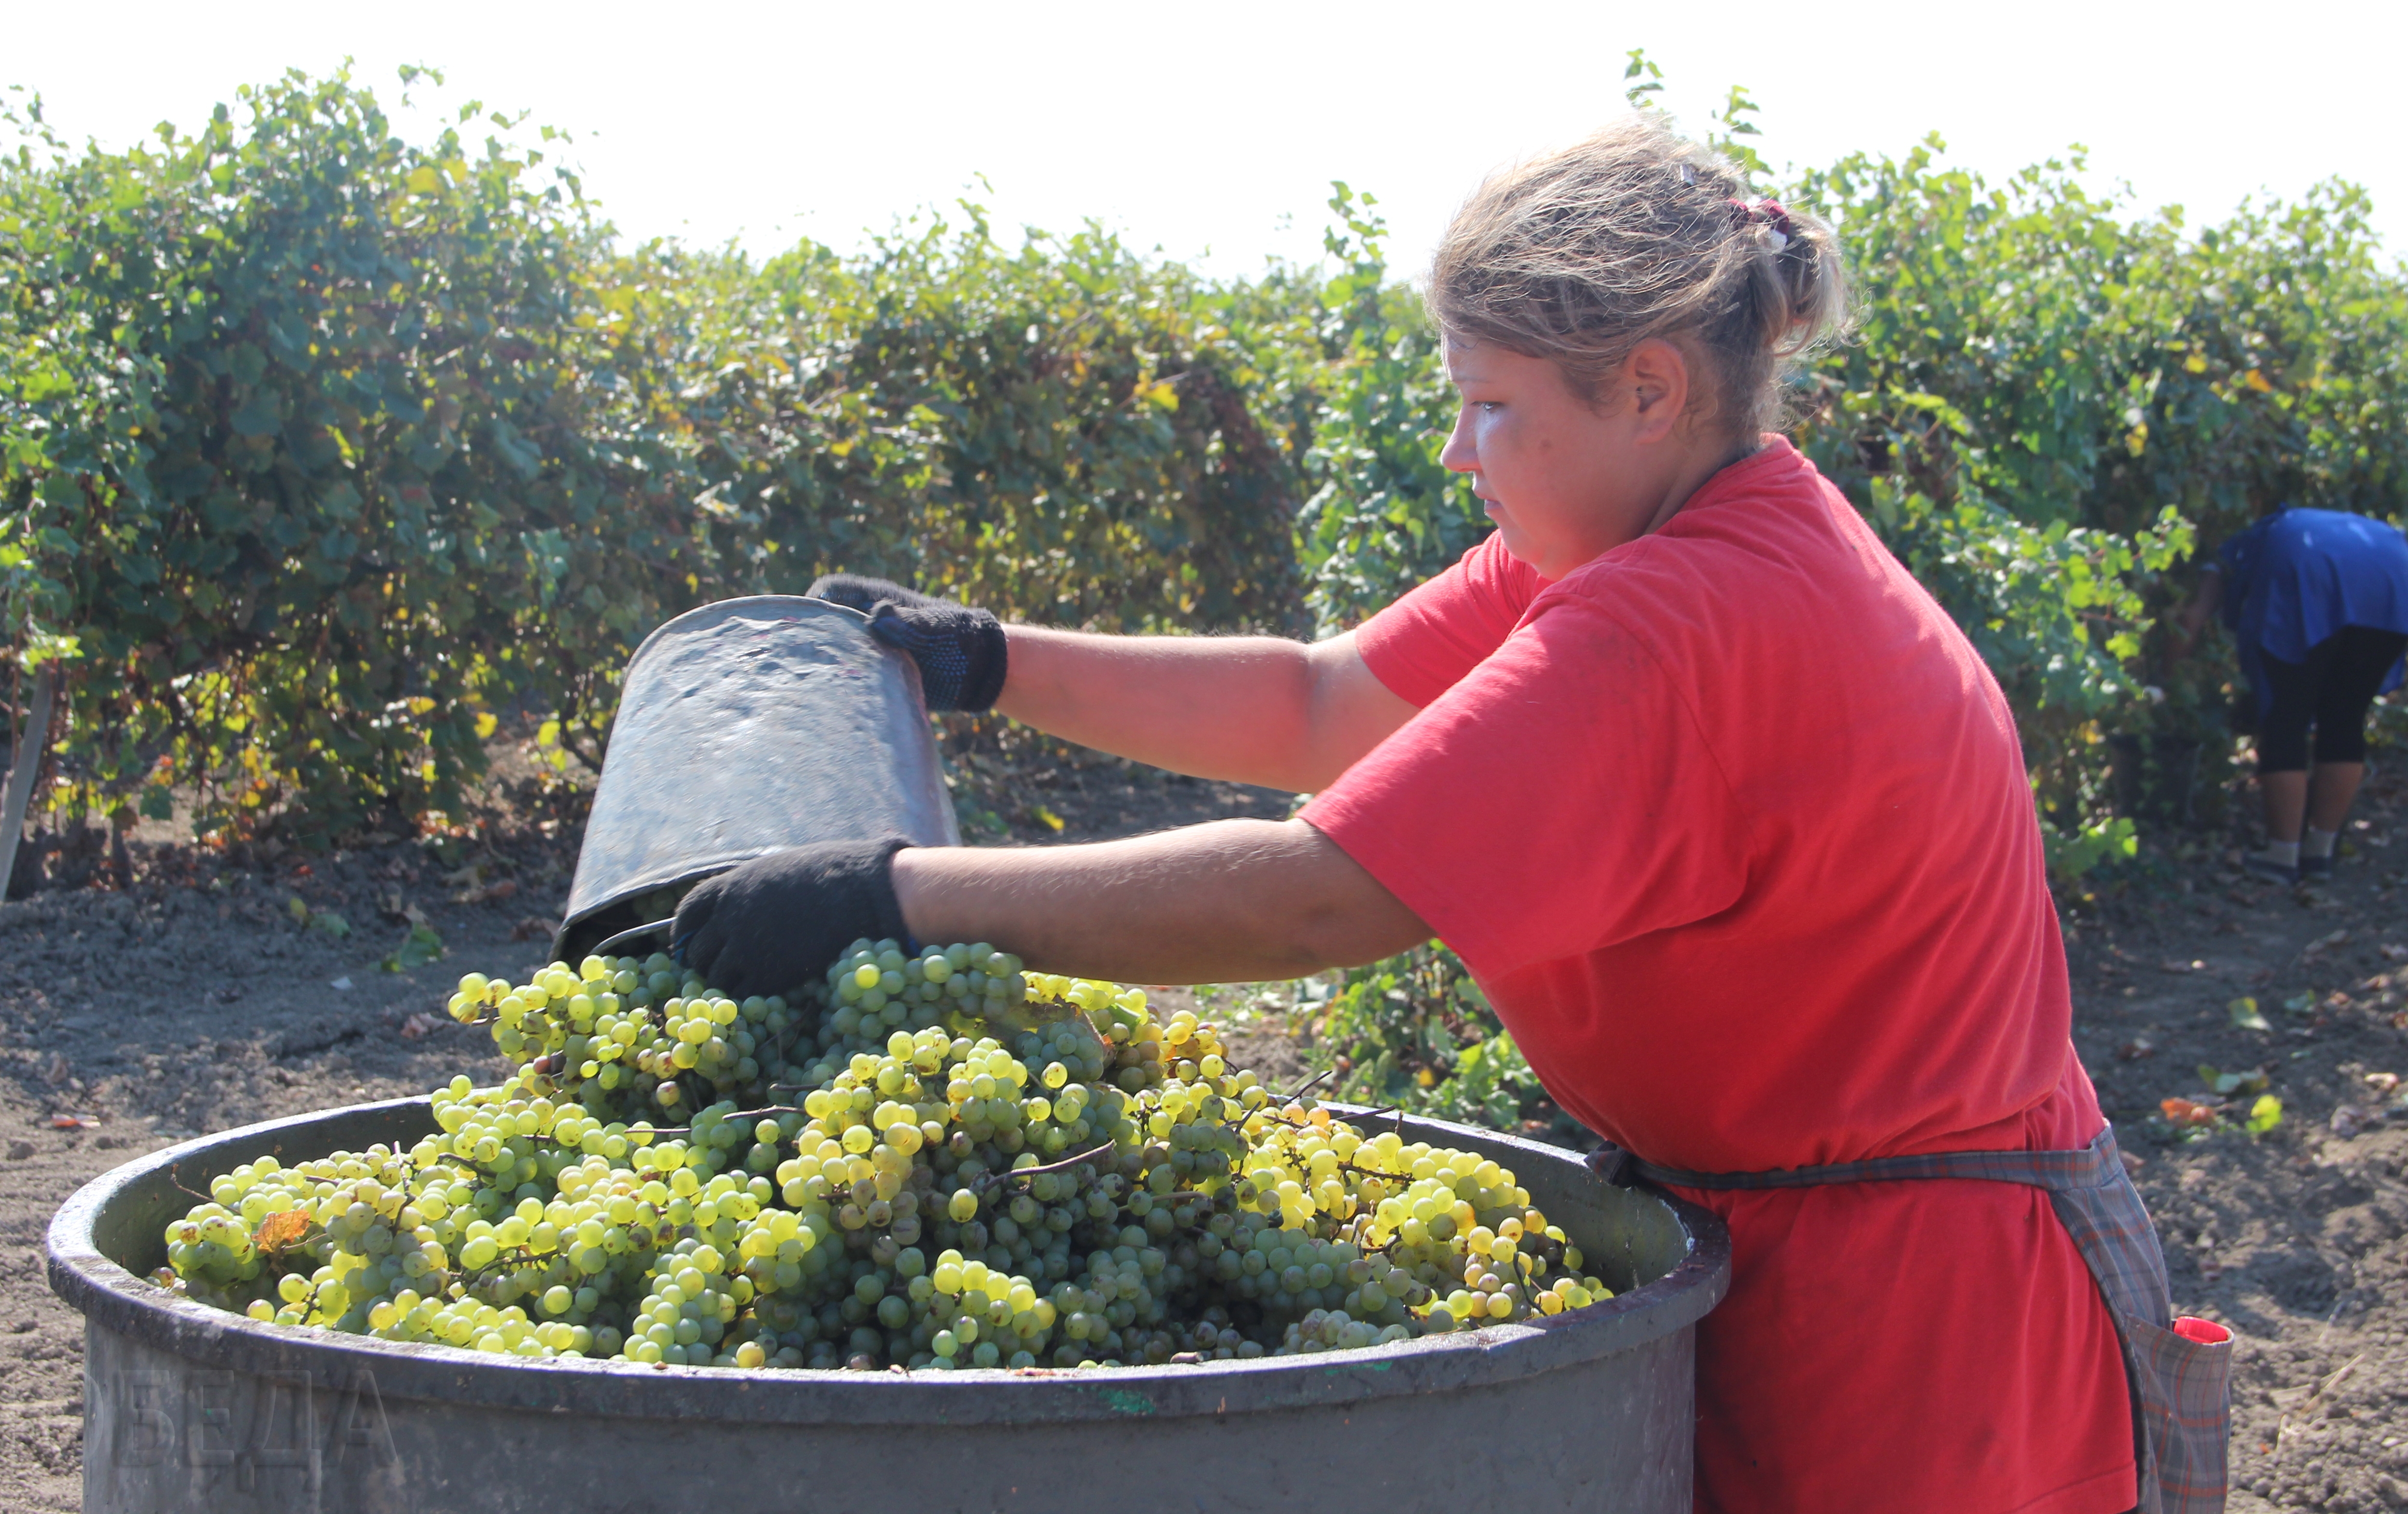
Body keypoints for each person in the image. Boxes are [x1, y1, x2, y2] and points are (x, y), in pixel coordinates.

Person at [672, 121, 2227, 1514]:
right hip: (1827, 1251)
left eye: (1486, 407)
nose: (1453, 450)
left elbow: (1317, 897)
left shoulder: (1688, 617)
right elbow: (1321, 702)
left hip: (1918, 1335)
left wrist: (896, 893)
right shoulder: (1650, 526)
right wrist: (993, 662)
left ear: (1647, 387)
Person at [2173, 507, 2408, 883]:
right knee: (2346, 718)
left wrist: (2168, 670)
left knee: (2285, 717)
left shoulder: (2231, 555)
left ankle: (2282, 855)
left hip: (2309, 574)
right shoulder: (2292, 528)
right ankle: (2320, 852)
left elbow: (2195, 616)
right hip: (2394, 575)